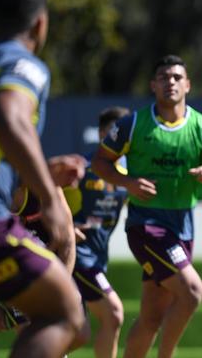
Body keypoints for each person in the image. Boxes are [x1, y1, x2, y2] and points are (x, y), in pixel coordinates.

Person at [91, 55, 202, 358]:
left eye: (176, 77)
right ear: (153, 85)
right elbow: (100, 162)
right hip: (146, 226)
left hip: (182, 227)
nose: (170, 82)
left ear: (187, 84)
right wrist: (128, 182)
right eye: (163, 77)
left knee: (152, 317)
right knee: (193, 292)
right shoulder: (132, 124)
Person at [0, 0, 84, 355]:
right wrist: (47, 195)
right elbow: (10, 116)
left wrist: (40, 172)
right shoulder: (19, 63)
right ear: (40, 24)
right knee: (65, 315)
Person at [66, 106, 130, 358]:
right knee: (113, 313)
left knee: (76, 332)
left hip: (98, 258)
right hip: (77, 255)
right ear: (103, 133)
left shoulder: (128, 173)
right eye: (117, 131)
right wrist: (67, 227)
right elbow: (48, 201)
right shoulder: (82, 168)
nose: (123, 137)